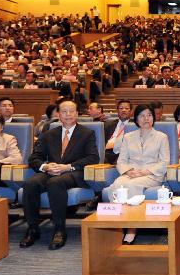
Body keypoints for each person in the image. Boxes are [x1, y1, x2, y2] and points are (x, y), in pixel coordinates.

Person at [20, 99, 99, 250]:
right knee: (30, 183)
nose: (68, 114)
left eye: (71, 111)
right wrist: (46, 166)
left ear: (77, 114)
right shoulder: (49, 134)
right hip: (51, 171)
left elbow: (93, 158)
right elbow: (34, 158)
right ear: (58, 114)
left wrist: (67, 167)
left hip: (74, 173)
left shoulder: (87, 133)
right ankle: (33, 228)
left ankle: (59, 229)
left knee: (55, 183)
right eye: (64, 111)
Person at [107, 104, 170, 244]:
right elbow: (121, 161)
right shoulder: (128, 137)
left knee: (131, 185)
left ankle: (131, 228)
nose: (146, 118)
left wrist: (144, 171)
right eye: (142, 115)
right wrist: (129, 171)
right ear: (136, 119)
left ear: (153, 118)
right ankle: (117, 225)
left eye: (149, 115)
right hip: (131, 173)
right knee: (117, 185)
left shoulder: (162, 137)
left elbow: (164, 162)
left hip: (152, 174)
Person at [104, 99, 134, 164]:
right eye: (121, 108)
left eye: (126, 108)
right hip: (107, 151)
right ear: (117, 111)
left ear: (131, 111)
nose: (123, 110)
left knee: (119, 161)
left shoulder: (134, 125)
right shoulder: (108, 124)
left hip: (123, 152)